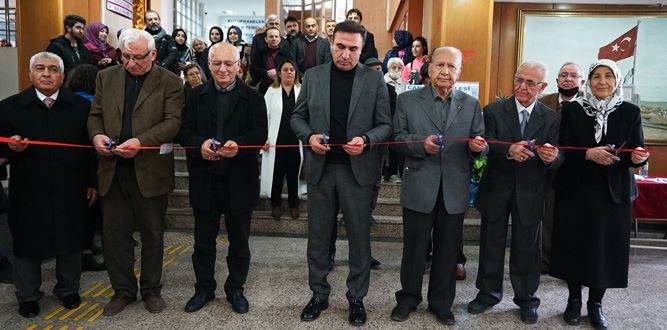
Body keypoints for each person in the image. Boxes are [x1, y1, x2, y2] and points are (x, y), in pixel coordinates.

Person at [291, 20, 391, 326]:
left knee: (359, 239)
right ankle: (319, 294)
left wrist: (367, 140)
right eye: (340, 47)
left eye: (353, 49)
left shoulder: (374, 81)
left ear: (362, 49)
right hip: (321, 170)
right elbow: (297, 116)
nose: (346, 54)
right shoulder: (313, 76)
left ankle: (356, 298)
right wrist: (308, 136)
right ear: (330, 44)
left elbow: (385, 125)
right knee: (318, 238)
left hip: (357, 172)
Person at [87, 28, 183, 316]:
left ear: (153, 54)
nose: (130, 63)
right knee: (114, 236)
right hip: (112, 168)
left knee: (153, 234)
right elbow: (95, 116)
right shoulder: (106, 77)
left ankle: (151, 289)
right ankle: (123, 290)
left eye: (138, 58)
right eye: (125, 56)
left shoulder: (169, 81)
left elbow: (172, 122)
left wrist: (141, 142)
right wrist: (97, 136)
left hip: (150, 169)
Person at [389, 46, 487, 325]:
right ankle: (407, 298)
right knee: (414, 250)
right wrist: (420, 145)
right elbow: (396, 139)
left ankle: (441, 303)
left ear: (459, 72)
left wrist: (479, 148)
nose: (446, 71)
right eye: (440, 65)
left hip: (454, 191)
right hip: (420, 185)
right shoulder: (407, 100)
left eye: (452, 67)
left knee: (447, 252)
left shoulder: (470, 104)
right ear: (429, 69)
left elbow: (480, 143)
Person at [550, 59, 648, 330]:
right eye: (596, 76)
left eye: (608, 77)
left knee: (604, 251)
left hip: (612, 194)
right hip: (576, 190)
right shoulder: (571, 110)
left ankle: (596, 304)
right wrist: (587, 154)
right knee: (574, 246)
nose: (602, 82)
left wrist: (638, 159)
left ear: (617, 81)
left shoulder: (630, 111)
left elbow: (635, 152)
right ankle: (573, 301)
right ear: (588, 81)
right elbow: (561, 150)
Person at [0, 51, 97, 318]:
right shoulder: (9, 107)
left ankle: (68, 289)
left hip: (71, 186)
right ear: (30, 75)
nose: (46, 74)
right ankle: (28, 295)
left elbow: (89, 149)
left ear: (63, 76)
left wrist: (92, 182)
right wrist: (9, 148)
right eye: (40, 69)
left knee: (71, 239)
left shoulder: (79, 107)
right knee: (27, 242)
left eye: (53, 69)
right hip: (29, 187)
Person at [468, 60, 561, 324]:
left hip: (531, 192)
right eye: (519, 80)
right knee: (490, 245)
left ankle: (527, 299)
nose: (522, 86)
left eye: (530, 83)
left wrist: (550, 157)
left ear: (542, 87)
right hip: (497, 187)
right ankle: (487, 294)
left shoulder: (552, 117)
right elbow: (486, 143)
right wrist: (508, 150)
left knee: (527, 250)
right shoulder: (494, 110)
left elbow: (559, 156)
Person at [179, 43, 267, 314]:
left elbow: (259, 134)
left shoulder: (253, 97)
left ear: (239, 65)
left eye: (229, 64)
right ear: (209, 65)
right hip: (205, 179)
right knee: (202, 241)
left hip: (239, 179)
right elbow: (184, 132)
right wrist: (200, 144)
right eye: (217, 63)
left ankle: (235, 288)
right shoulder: (195, 96)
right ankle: (204, 288)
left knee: (239, 241)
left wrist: (239, 145)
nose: (223, 69)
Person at [538, 61, 585, 273]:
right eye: (564, 75)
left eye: (573, 75)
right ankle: (546, 262)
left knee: (573, 219)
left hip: (578, 170)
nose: (568, 79)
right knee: (547, 217)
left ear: (582, 81)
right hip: (549, 170)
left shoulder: (589, 104)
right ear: (556, 81)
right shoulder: (543, 103)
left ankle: (569, 263)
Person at [64, 64, 106, 272]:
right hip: (90, 164)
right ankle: (85, 251)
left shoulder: (66, 101)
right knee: (90, 210)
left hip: (69, 166)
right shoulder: (91, 105)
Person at [260, 59, 305, 220]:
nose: (289, 72)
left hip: (296, 139)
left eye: (292, 70)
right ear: (279, 73)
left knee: (294, 174)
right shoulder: (271, 91)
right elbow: (264, 116)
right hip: (276, 140)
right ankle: (276, 204)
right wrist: (263, 139)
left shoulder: (302, 90)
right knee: (276, 174)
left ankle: (294, 204)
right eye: (285, 70)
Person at [250, 27, 294, 95]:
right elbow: (253, 70)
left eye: (276, 36)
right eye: (271, 36)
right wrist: (268, 73)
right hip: (262, 89)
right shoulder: (259, 53)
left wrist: (277, 71)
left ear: (280, 39)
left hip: (281, 88)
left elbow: (293, 69)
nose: (274, 39)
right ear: (266, 39)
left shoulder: (286, 53)